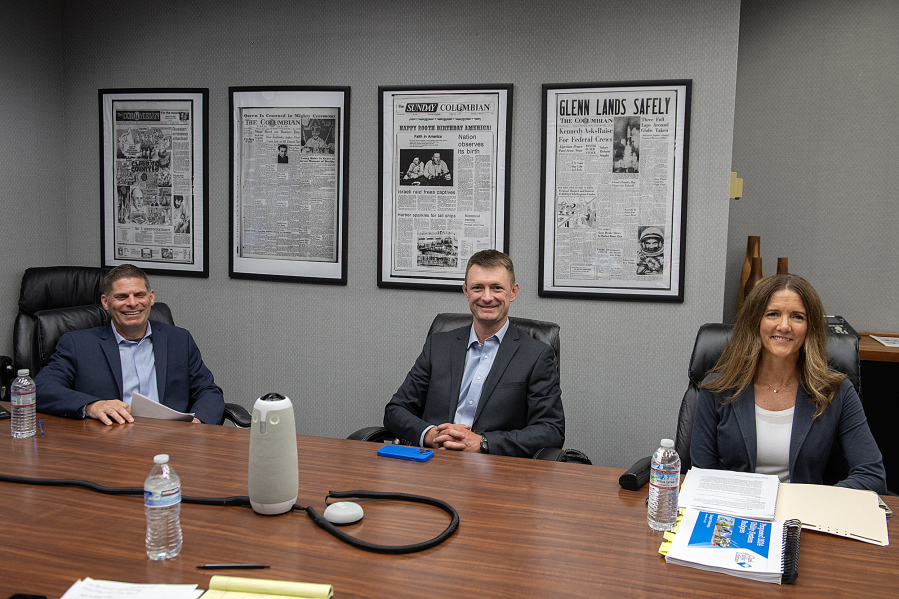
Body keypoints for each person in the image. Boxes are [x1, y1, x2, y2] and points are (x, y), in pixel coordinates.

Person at [690, 274, 886, 493]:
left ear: (809, 327)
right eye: (773, 314)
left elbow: (872, 475)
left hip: (804, 516)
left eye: (797, 317)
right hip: (735, 515)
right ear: (755, 322)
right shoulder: (717, 387)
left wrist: (814, 502)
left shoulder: (836, 391)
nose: (784, 326)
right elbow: (702, 475)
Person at [383, 249, 565, 458]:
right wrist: (430, 435)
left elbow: (551, 430)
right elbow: (395, 410)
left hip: (494, 470)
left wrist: (484, 443)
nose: (487, 297)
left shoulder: (536, 355)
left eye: (497, 288)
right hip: (432, 462)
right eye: (478, 287)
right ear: (466, 291)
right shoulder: (438, 345)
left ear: (513, 292)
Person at [35, 264, 225, 425]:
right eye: (121, 297)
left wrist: (199, 423)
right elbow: (41, 388)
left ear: (151, 298)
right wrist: (91, 405)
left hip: (171, 440)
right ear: (106, 302)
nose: (132, 303)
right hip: (110, 442)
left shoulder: (179, 339)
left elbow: (208, 390)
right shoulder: (78, 344)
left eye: (139, 295)